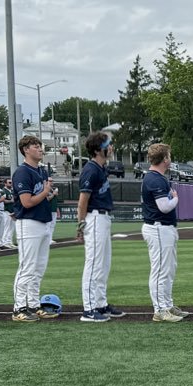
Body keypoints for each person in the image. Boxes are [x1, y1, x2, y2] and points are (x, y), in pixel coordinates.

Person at [11, 135, 58, 322]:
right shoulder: (22, 172)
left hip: (43, 221)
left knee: (39, 268)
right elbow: (27, 202)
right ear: (25, 150)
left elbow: (41, 198)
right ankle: (19, 308)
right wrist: (45, 192)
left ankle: (33, 304)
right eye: (35, 146)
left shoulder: (41, 171)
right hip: (28, 222)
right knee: (27, 267)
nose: (40, 149)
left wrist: (48, 194)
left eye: (40, 146)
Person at [77, 132, 123, 322]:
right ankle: (89, 309)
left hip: (103, 217)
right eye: (107, 145)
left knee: (103, 264)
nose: (111, 147)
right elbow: (83, 201)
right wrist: (81, 225)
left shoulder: (101, 168)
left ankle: (100, 304)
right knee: (94, 263)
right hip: (94, 218)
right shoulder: (91, 169)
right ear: (97, 150)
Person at [140, 143, 186, 323]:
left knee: (168, 269)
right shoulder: (155, 179)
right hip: (158, 228)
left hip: (163, 227)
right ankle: (159, 309)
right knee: (160, 270)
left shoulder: (157, 177)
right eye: (169, 156)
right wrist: (176, 199)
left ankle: (167, 305)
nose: (170, 159)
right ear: (164, 158)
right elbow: (164, 207)